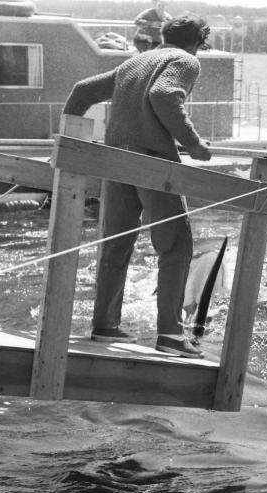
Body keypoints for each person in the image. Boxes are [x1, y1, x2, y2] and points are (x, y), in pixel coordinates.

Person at [62, 14, 212, 359]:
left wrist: (68, 140)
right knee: (175, 245)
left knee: (116, 244)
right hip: (150, 163)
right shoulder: (184, 60)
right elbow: (163, 95)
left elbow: (82, 91)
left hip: (115, 160)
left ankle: (104, 327)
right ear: (197, 42)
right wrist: (192, 143)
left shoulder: (135, 61)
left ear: (164, 35)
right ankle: (171, 337)